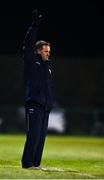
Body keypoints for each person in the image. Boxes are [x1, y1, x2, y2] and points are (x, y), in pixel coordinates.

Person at [21, 10, 54, 170]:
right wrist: (34, 26)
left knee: (41, 137)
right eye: (46, 51)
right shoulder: (31, 62)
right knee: (33, 136)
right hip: (33, 104)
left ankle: (35, 163)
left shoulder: (47, 66)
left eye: (49, 51)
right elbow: (28, 44)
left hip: (45, 106)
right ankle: (27, 163)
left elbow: (48, 87)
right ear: (38, 51)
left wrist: (50, 103)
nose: (48, 54)